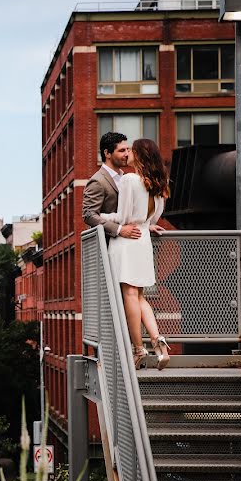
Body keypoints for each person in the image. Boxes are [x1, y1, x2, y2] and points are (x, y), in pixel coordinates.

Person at [99, 138, 170, 370]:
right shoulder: (160, 183)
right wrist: (145, 225)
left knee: (129, 296)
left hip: (127, 241)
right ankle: (158, 341)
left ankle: (138, 350)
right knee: (140, 297)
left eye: (132, 150)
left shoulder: (130, 180)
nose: (128, 153)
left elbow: (122, 216)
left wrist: (102, 218)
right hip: (143, 240)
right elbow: (151, 219)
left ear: (139, 156)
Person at [83, 131, 143, 242]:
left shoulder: (126, 178)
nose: (126, 154)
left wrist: (145, 226)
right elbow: (89, 215)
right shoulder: (97, 181)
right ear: (107, 153)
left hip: (129, 243)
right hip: (107, 246)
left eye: (127, 150)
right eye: (121, 150)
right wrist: (119, 229)